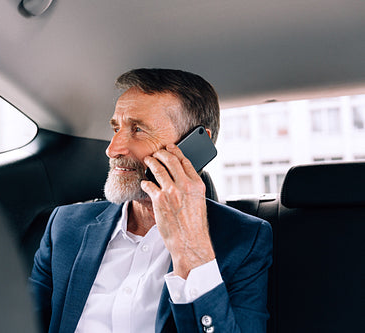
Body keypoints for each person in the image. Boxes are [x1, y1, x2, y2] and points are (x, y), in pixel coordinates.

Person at [30, 68, 273, 333]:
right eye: (116, 128)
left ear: (196, 144)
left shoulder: (244, 240)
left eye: (138, 129)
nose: (112, 149)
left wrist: (190, 249)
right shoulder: (65, 226)